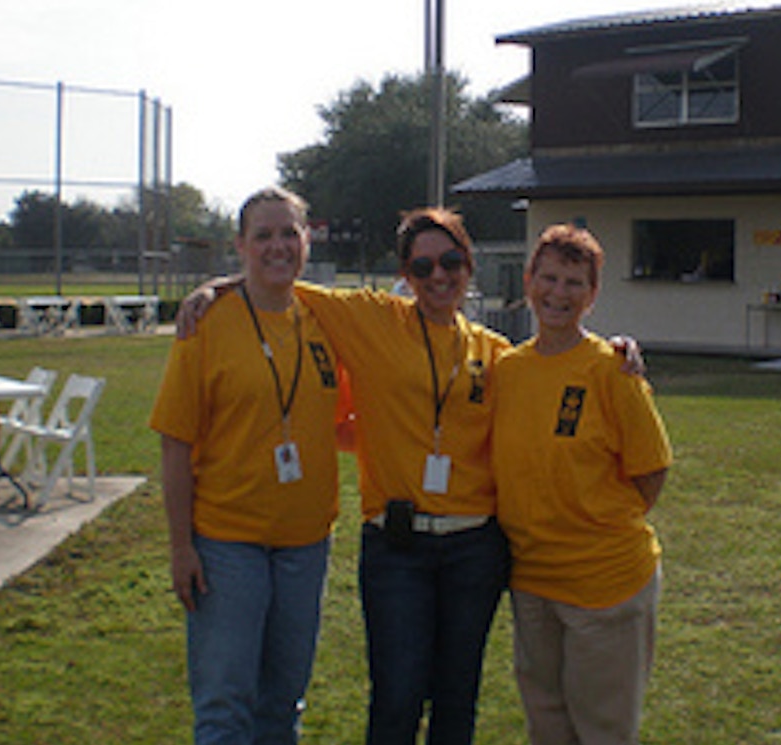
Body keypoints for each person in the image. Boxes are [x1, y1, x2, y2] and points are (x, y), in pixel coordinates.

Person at [180, 207, 513, 745]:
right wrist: (218, 287)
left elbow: (551, 374)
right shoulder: (371, 318)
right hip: (397, 549)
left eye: (451, 262)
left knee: (457, 698)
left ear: (468, 265)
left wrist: (617, 353)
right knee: (396, 696)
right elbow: (280, 274)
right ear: (405, 275)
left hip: (474, 550)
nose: (439, 277)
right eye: (422, 267)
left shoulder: (496, 354)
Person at [150, 186, 347, 744]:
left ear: (307, 240)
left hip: (305, 544)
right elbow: (175, 442)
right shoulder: (205, 325)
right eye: (263, 235)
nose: (278, 245)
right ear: (240, 245)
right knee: (225, 708)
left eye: (290, 232)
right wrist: (181, 547)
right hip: (227, 543)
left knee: (283, 706)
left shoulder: (327, 320)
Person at [492, 224, 672, 745]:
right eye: (548, 278)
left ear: (592, 295)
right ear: (528, 281)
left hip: (606, 583)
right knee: (547, 725)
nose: (558, 294)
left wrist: (594, 524)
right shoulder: (507, 369)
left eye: (574, 283)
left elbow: (651, 471)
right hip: (532, 582)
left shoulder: (611, 369)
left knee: (602, 730)